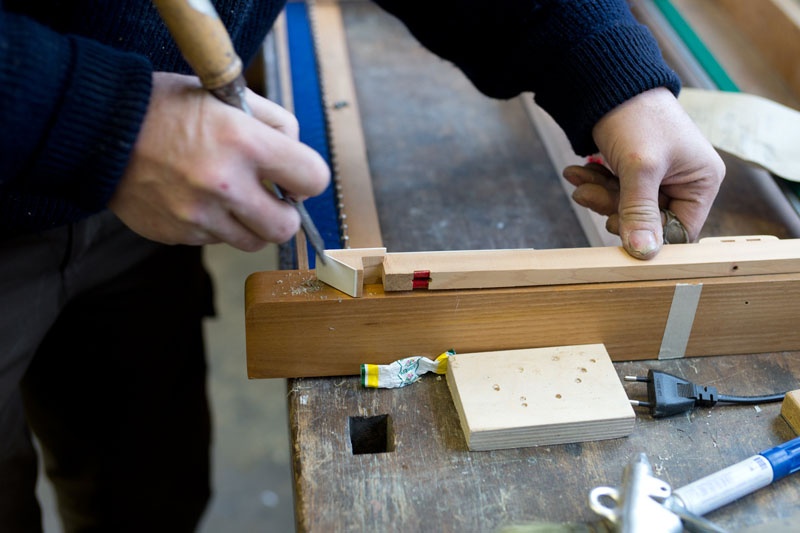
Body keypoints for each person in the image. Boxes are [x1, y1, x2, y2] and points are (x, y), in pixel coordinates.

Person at [0, 0, 724, 530]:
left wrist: (601, 60)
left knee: (149, 484)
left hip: (139, 207)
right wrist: (97, 122)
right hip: (85, 139)